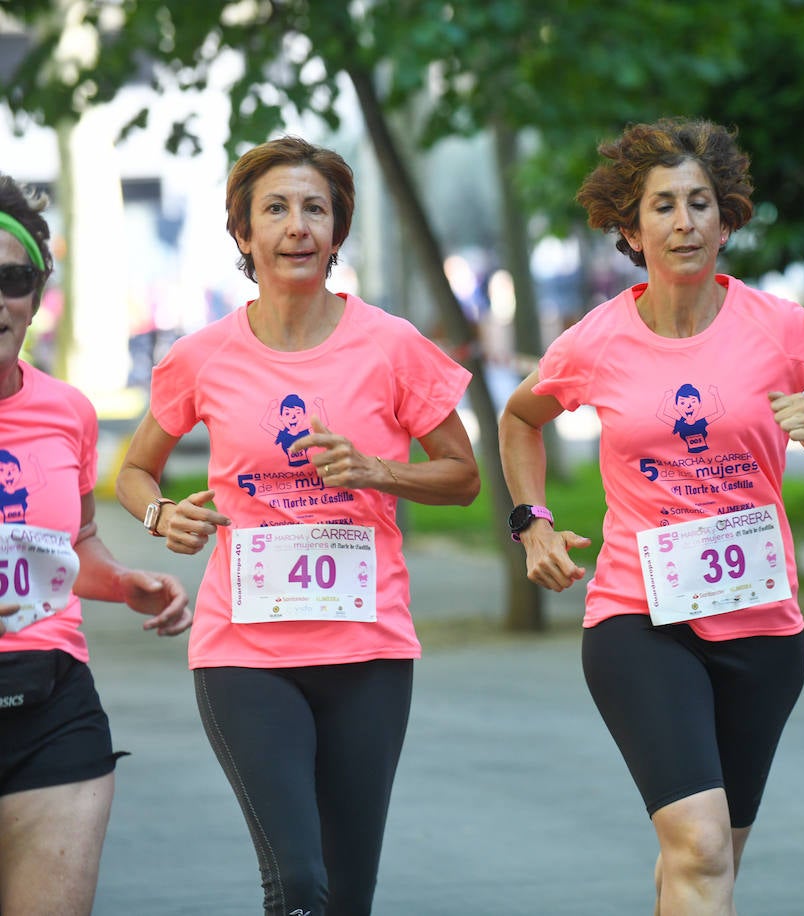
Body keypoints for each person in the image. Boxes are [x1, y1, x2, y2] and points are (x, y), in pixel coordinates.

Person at [498, 117, 804, 914]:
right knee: (701, 845)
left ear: (727, 219)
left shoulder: (779, 328)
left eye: (700, 203)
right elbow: (520, 419)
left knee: (702, 865)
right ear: (631, 227)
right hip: (638, 619)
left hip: (760, 626)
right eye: (663, 206)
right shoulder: (597, 341)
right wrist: (533, 521)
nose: (684, 223)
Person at [115, 137, 481, 915]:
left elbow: (464, 476)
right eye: (274, 209)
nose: (297, 226)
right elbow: (133, 472)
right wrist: (161, 515)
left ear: (337, 230)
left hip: (368, 649)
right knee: (300, 886)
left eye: (315, 208)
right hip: (245, 652)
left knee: (348, 895)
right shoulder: (203, 356)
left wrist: (382, 471)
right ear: (244, 235)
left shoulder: (392, 346)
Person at [0, 173, 191, 914]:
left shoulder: (67, 412)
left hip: (52, 706)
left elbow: (75, 544)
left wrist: (124, 581)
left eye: (13, 278)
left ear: (37, 291)